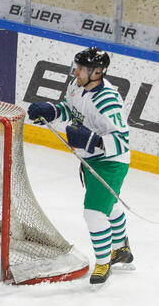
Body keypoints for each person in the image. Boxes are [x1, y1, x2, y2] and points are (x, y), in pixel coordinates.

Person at [27, 46, 132, 285]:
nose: (76, 72)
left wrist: (94, 141)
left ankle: (104, 263)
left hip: (111, 163)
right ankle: (122, 248)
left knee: (94, 213)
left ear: (96, 72)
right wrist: (53, 110)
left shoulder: (108, 102)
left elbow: (123, 141)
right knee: (108, 203)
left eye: (81, 68)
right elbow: (69, 110)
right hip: (90, 158)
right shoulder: (77, 86)